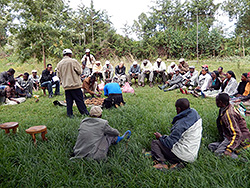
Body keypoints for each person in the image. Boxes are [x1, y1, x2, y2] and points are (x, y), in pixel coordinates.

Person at [151, 98, 202, 170]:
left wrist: (160, 137)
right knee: (167, 141)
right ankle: (177, 163)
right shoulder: (194, 114)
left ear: (178, 109)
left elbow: (169, 143)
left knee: (155, 143)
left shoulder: (180, 125)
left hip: (182, 154)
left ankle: (162, 163)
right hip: (192, 155)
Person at [208, 93, 250, 158]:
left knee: (218, 153)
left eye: (216, 101)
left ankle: (239, 158)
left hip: (238, 139)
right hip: (228, 136)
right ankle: (229, 150)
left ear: (220, 102)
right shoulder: (224, 108)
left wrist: (229, 149)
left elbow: (237, 134)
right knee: (211, 146)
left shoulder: (229, 114)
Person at [56, 49, 89, 117]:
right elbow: (80, 71)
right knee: (79, 100)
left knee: (69, 101)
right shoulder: (73, 61)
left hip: (66, 86)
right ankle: (84, 113)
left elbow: (58, 75)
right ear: (69, 54)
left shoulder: (59, 64)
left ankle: (70, 114)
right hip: (75, 85)